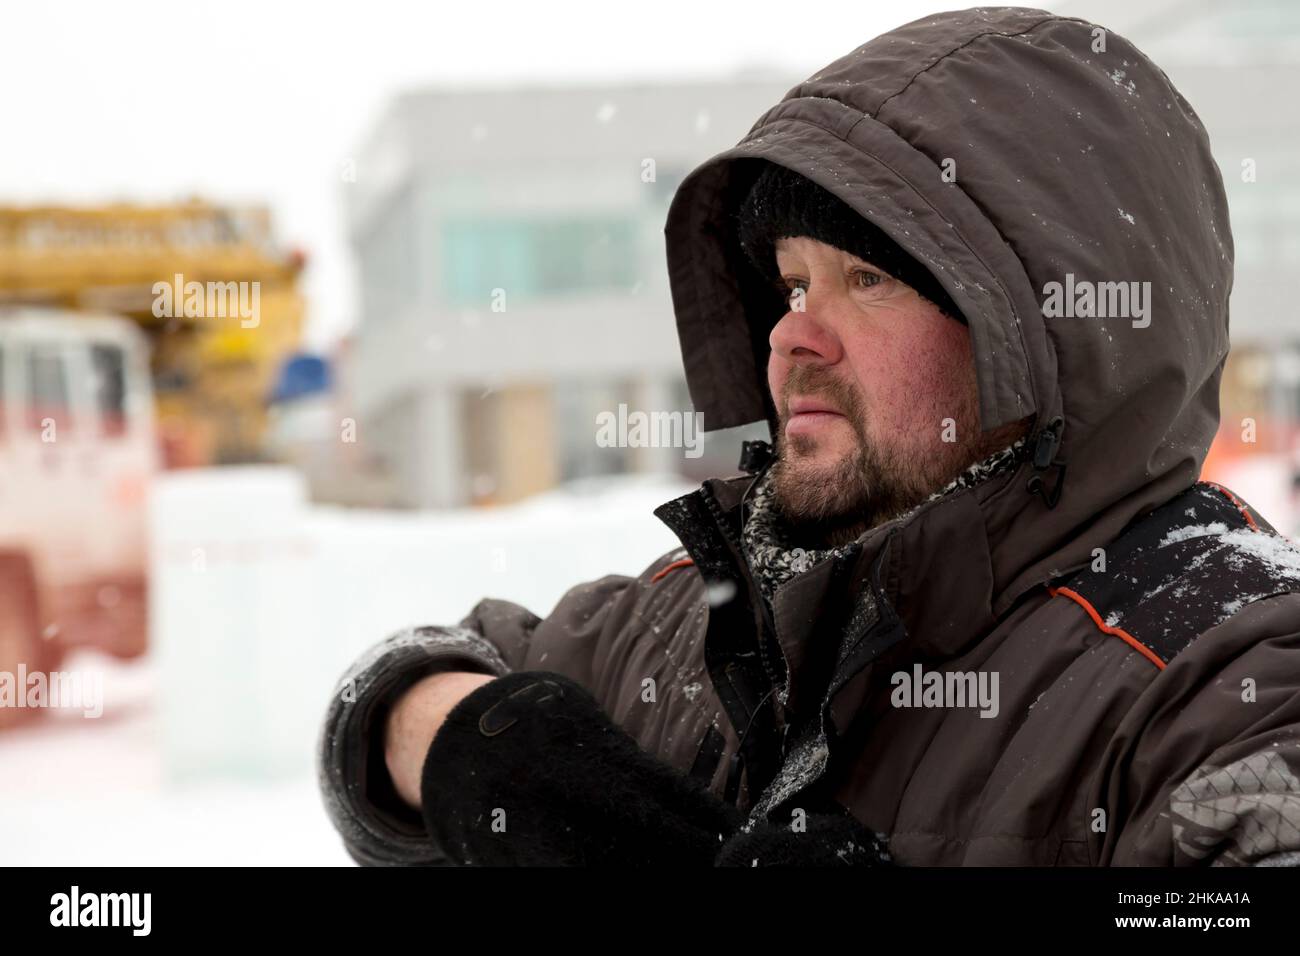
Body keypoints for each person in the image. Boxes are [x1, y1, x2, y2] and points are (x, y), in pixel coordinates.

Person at [318, 7, 1300, 866]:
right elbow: (392, 683)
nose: (791, 331)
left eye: (866, 279)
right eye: (792, 283)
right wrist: (481, 744)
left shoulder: (1229, 673)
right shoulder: (717, 608)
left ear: (1041, 332)